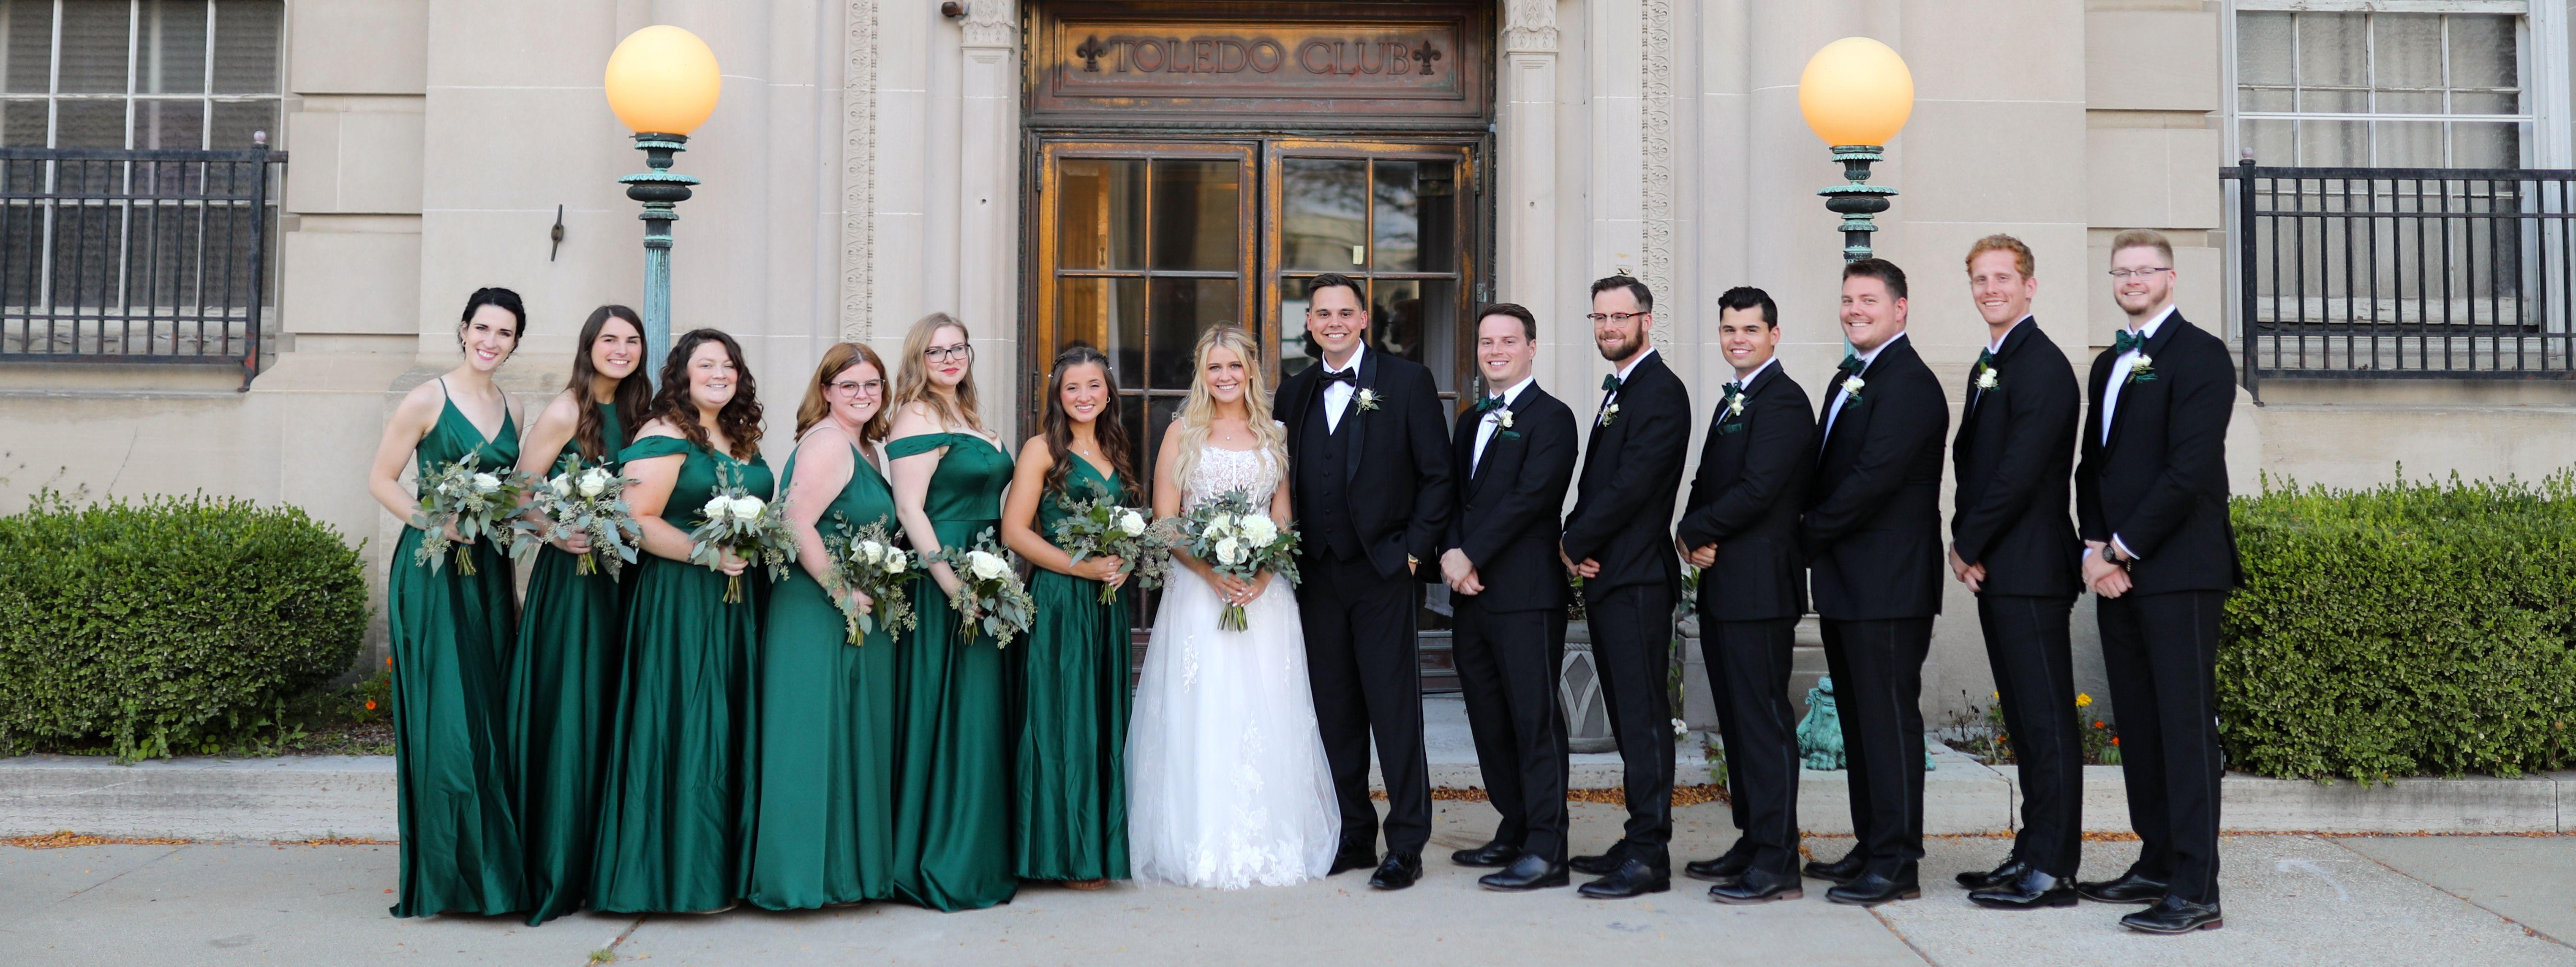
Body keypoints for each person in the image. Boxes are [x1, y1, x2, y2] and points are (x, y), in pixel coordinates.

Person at [1126, 324, 1340, 889]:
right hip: (1199, 594)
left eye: (1234, 366)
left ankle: (1269, 836)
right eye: (1214, 367)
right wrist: (1210, 570)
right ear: (1202, 373)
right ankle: (1197, 837)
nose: (1225, 376)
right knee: (1205, 707)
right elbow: (1166, 519)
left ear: (1250, 371)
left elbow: (1283, 515)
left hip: (1265, 599)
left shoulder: (1275, 433)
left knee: (1266, 707)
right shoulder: (1182, 432)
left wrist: (1264, 573)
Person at [2073, 229, 2241, 935]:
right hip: (2115, 573)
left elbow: (2188, 469)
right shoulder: (2107, 362)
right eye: (2122, 271)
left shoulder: (2201, 355)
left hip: (2180, 571)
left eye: (2145, 270)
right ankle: (2156, 861)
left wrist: (2120, 548)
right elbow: (2092, 466)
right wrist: (2091, 550)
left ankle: (2196, 888)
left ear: (2171, 278)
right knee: (2139, 726)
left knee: (2183, 726)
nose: (2132, 280)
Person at [1273, 274, 1453, 891]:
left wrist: (1413, 554)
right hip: (1317, 576)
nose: (1334, 323)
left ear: (1362, 320)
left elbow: (1437, 475)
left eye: (1344, 313)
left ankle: (1406, 843)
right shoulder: (1293, 392)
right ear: (1308, 323)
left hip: (1383, 573)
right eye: (1322, 314)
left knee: (1393, 710)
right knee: (1335, 710)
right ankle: (1353, 833)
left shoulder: (1406, 381)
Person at [591, 328, 773, 915]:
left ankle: (725, 872)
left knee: (728, 726)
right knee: (687, 723)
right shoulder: (665, 433)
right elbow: (634, 517)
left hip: (739, 602)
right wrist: (706, 553)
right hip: (681, 601)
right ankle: (674, 878)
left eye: (728, 365)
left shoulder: (739, 435)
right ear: (683, 375)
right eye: (706, 365)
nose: (719, 374)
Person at [366, 287, 531, 918]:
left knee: (489, 713)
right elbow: (381, 479)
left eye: (504, 333)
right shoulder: (426, 398)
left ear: (515, 343)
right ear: (463, 330)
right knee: (449, 719)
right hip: (433, 569)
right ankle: (449, 878)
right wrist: (435, 520)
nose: (491, 341)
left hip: (487, 571)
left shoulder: (514, 404)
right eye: (482, 328)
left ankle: (494, 870)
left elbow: (513, 495)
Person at [1800, 258, 1949, 906]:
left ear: (1900, 308)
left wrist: (1800, 536)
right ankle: (1871, 844)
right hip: (1846, 581)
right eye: (1847, 300)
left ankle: (1896, 862)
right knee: (1861, 723)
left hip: (1888, 584)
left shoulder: (1909, 383)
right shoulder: (1850, 377)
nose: (1854, 310)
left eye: (1868, 300)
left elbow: (1870, 481)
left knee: (1887, 722)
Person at [1944, 237, 2086, 910]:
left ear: (2029, 286)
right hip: (2001, 568)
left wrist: (1964, 544)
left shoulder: (2043, 365)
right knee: (2026, 724)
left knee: (2047, 722)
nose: (1990, 289)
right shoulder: (1992, 362)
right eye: (1980, 279)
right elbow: (1973, 463)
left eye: (2002, 277)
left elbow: (2018, 472)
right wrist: (1970, 543)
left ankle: (2053, 869)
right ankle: (2030, 851)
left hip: (2030, 568)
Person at [742, 341, 902, 910]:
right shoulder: (828, 442)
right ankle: (798, 879)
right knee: (810, 736)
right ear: (827, 391)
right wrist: (841, 592)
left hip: (850, 606)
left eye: (872, 384)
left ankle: (844, 876)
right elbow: (795, 521)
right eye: (849, 385)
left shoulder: (868, 448)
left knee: (848, 735)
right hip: (816, 607)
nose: (862, 394)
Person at [508, 304, 651, 924]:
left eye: (632, 340)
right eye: (609, 339)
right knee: (575, 712)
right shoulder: (567, 410)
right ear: (589, 345)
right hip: (576, 582)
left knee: (618, 713)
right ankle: (558, 863)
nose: (621, 349)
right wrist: (555, 529)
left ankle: (609, 863)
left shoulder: (645, 413)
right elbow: (518, 493)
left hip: (631, 581)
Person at [1672, 286, 1815, 905]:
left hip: (1760, 589)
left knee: (1763, 725)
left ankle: (1778, 861)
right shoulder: (1734, 398)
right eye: (1730, 329)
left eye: (1750, 330)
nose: (1738, 339)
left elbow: (1759, 490)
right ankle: (1753, 841)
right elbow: (1707, 481)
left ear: (1773, 335)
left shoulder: (1783, 401)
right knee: (1736, 724)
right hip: (1725, 585)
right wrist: (1691, 533)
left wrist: (1693, 530)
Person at [1560, 275, 1693, 900]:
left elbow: (1633, 485)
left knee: (1642, 721)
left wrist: (1573, 539)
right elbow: (1598, 485)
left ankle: (1649, 856)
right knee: (1627, 716)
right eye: (1601, 317)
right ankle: (1638, 834)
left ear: (1646, 320)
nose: (1610, 327)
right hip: (1612, 576)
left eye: (1621, 316)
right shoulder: (1623, 388)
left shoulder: (1661, 391)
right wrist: (1578, 534)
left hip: (1638, 578)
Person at [1439, 303, 1579, 892]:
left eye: (1508, 341)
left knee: (1533, 720)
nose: (1495, 351)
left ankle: (1547, 849)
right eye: (1486, 342)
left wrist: (1470, 554)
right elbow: (1454, 497)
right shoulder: (1471, 420)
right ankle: (1515, 825)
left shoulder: (1554, 418)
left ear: (1531, 347)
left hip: (1525, 595)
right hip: (1471, 595)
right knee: (1489, 720)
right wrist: (1453, 556)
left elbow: (1531, 498)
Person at [885, 312, 1019, 912]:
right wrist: (951, 585)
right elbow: (910, 510)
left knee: (979, 712)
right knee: (947, 709)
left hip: (988, 572)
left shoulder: (969, 415)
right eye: (936, 351)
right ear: (918, 359)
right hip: (945, 579)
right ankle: (938, 857)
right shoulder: (916, 416)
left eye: (957, 348)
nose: (948, 359)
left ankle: (980, 851)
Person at [1000, 344, 1139, 889]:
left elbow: (1125, 524)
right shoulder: (1041, 449)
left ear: (1108, 393)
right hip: (1060, 600)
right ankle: (1062, 854)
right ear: (1058, 396)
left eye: (1094, 386)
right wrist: (1082, 568)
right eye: (1072, 388)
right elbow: (1015, 532)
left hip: (1106, 606)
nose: (1084, 396)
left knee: (1100, 720)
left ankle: (1098, 850)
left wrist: (1126, 560)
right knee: (1063, 720)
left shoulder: (1115, 445)